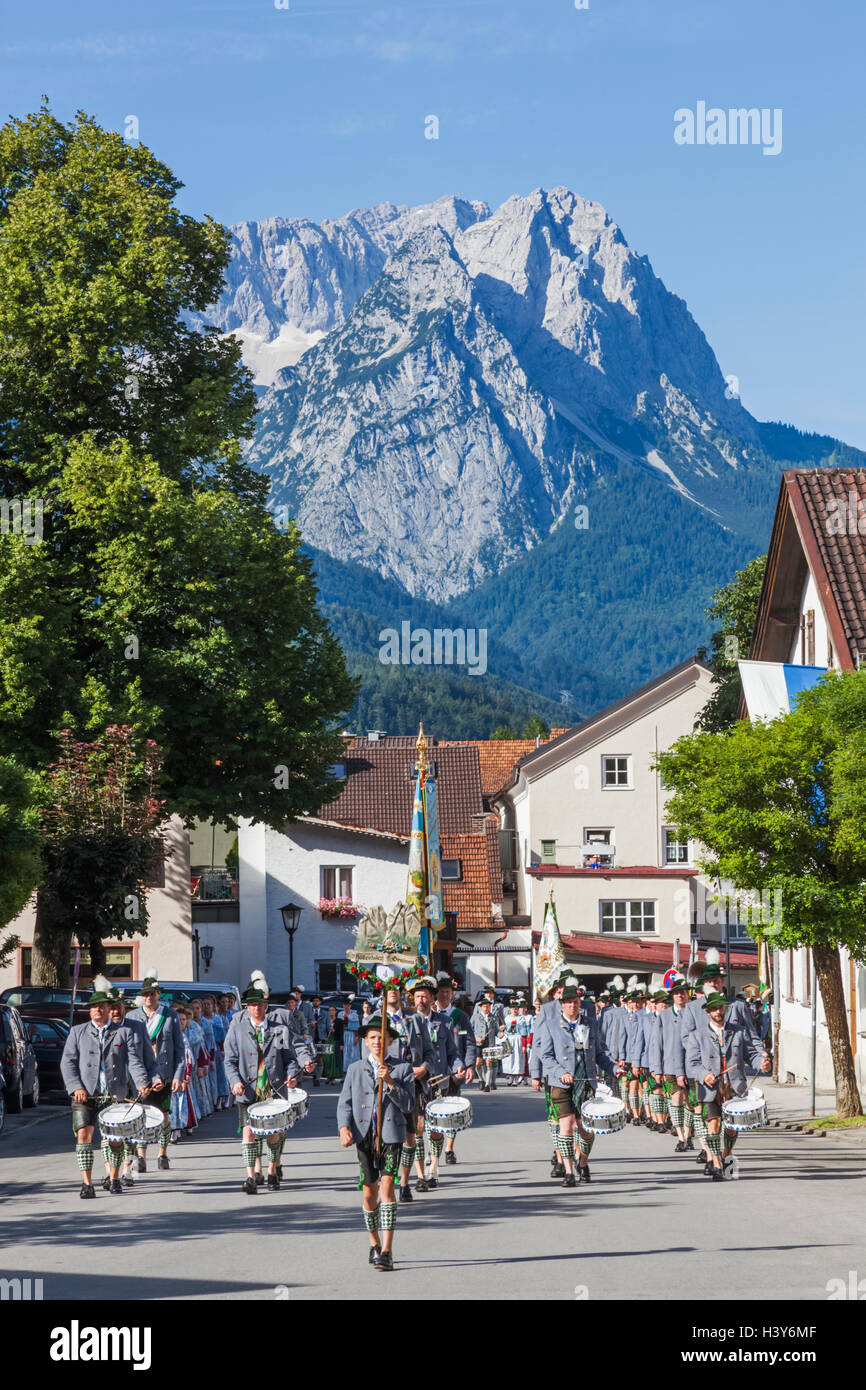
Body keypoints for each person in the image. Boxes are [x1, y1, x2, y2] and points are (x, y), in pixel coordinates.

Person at [60, 976, 151, 1198]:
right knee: (84, 1135)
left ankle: (114, 1178)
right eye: (93, 1007)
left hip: (114, 1094)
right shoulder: (77, 1032)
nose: (97, 1010)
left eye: (101, 1007)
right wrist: (75, 1087)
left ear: (109, 1009)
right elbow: (67, 1062)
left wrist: (142, 1083)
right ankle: (87, 1184)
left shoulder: (123, 1033)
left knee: (114, 1139)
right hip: (85, 1095)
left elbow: (135, 1062)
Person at [337, 1013, 415, 1273]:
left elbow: (409, 1105)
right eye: (373, 1038)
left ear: (391, 1040)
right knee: (369, 1193)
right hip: (365, 1136)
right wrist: (344, 1127)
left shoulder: (402, 1069)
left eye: (382, 1038)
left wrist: (390, 1082)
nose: (377, 1042)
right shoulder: (355, 1069)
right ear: (366, 1041)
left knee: (387, 1187)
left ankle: (387, 1250)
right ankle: (374, 1242)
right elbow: (345, 1102)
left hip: (392, 1135)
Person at [225, 973, 316, 1193]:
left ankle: (273, 1170)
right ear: (247, 1007)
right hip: (248, 1089)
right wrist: (235, 1082)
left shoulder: (279, 1028)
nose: (257, 1008)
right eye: (253, 1005)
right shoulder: (237, 1029)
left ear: (267, 1006)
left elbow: (293, 1054)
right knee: (248, 1132)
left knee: (273, 1134)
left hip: (275, 1087)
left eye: (261, 1005)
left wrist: (301, 1067)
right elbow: (230, 1060)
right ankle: (249, 1177)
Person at [538, 977, 615, 1189]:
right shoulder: (552, 1025)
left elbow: (600, 1053)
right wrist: (559, 1072)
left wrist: (615, 1068)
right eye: (568, 1002)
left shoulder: (590, 1023)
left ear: (580, 1004)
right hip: (561, 1082)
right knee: (567, 1125)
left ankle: (584, 1163)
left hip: (586, 1081)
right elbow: (545, 1055)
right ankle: (569, 1171)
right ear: (562, 1004)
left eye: (576, 1002)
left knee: (586, 1129)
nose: (572, 1005)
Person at [684, 991, 771, 1180]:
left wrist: (762, 1064)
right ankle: (715, 1163)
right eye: (714, 1008)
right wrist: (704, 1075)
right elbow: (691, 1064)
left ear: (725, 1008)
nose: (717, 1011)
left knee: (731, 1127)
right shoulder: (697, 1036)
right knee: (713, 1124)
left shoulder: (739, 1031)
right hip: (710, 1088)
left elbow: (751, 1055)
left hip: (734, 1086)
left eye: (720, 1007)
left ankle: (727, 1156)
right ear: (708, 1012)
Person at [125, 968, 186, 1171]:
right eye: (145, 994)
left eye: (152, 993)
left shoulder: (170, 1016)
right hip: (139, 1074)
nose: (148, 997)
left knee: (163, 1114)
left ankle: (162, 1153)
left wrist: (179, 1075)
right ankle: (141, 1157)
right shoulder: (132, 1016)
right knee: (141, 1114)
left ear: (158, 994)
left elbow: (179, 1048)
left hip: (164, 1073)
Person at [102, 989, 158, 1187]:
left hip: (134, 1087)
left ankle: (128, 1170)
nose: (115, 1011)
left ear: (124, 1007)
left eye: (118, 1007)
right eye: (112, 1008)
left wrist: (154, 1078)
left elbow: (149, 1059)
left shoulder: (138, 1027)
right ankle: (110, 1171)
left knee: (131, 1132)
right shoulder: (102, 1030)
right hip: (108, 1088)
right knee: (108, 1131)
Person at [413, 978, 465, 1187]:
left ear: (432, 998)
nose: (421, 999)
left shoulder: (445, 1022)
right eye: (417, 996)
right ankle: (419, 1175)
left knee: (435, 1127)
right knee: (418, 1127)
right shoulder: (409, 1022)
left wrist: (459, 1066)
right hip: (416, 1081)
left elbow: (452, 1052)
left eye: (425, 995)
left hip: (439, 1080)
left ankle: (433, 1167)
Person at [393, 978, 437, 1202]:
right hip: (390, 1086)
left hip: (414, 1085)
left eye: (396, 991)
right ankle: (388, 1178)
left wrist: (425, 1068)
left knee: (414, 1132)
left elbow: (430, 1052)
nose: (392, 994)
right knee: (389, 1136)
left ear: (402, 996)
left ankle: (406, 1182)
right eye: (387, 991)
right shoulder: (377, 1021)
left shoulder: (416, 1020)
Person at [169, 1006, 201, 1138]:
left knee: (183, 1102)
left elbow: (187, 1057)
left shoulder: (183, 1036)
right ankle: (171, 1129)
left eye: (183, 1019)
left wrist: (186, 1074)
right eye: (178, 1019)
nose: (181, 1022)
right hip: (168, 1074)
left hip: (180, 1074)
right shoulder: (168, 1034)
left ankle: (182, 1127)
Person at [501, 999, 524, 1086]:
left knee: (517, 1058)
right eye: (513, 1008)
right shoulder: (507, 1018)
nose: (514, 1010)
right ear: (510, 1009)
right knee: (509, 1058)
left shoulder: (521, 1018)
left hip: (518, 1038)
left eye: (516, 1009)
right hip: (509, 1038)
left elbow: (523, 1030)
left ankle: (516, 1077)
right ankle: (509, 1076)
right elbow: (505, 1030)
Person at [323, 1004, 343, 1083]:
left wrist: (342, 1044)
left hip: (335, 1041)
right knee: (328, 1059)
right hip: (327, 1041)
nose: (331, 1012)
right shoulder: (326, 1020)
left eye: (333, 1010)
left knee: (334, 1059)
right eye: (329, 1010)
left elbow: (341, 1033)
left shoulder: (339, 1021)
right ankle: (328, 1075)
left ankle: (334, 1076)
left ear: (336, 1011)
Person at [342, 999, 361, 1069]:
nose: (346, 1006)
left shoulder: (354, 1015)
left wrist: (356, 1037)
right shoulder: (340, 1014)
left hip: (352, 1034)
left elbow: (357, 1027)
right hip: (343, 1034)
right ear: (343, 1005)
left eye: (348, 1005)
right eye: (345, 1005)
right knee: (345, 1052)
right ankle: (345, 1069)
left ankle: (354, 1068)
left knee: (353, 1052)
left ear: (350, 1006)